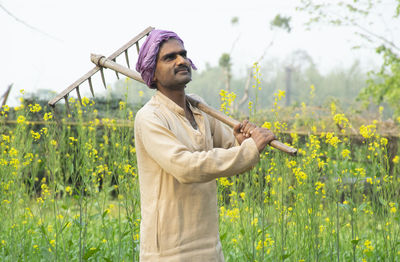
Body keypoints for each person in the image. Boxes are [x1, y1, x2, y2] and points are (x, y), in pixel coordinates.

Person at [134, 29, 276, 261]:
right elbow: (186, 167)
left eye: (183, 54)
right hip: (169, 251)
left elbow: (231, 151)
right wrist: (248, 151)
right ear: (153, 72)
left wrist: (243, 143)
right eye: (170, 57)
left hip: (209, 246)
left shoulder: (199, 108)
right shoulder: (150, 117)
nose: (181, 60)